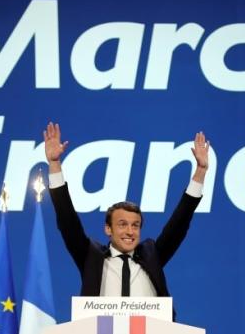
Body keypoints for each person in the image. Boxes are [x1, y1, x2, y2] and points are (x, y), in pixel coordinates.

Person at [42, 122, 208, 298]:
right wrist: (54, 164)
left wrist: (201, 170)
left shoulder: (152, 256)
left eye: (135, 225)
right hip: (100, 327)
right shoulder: (91, 257)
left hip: (151, 327)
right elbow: (67, 221)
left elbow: (179, 224)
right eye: (122, 224)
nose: (130, 231)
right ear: (108, 228)